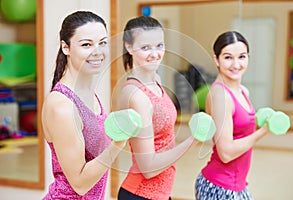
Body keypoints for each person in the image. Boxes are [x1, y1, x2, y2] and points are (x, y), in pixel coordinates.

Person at [42, 11, 127, 199]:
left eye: (102, 43)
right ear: (66, 47)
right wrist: (119, 143)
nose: (98, 51)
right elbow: (79, 184)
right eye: (86, 44)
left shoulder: (89, 94)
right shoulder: (62, 106)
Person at [117, 16, 198, 200]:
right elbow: (147, 167)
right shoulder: (136, 95)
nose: (155, 53)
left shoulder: (157, 82)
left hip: (161, 194)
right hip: (139, 194)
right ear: (129, 47)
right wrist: (193, 140)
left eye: (159, 45)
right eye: (145, 47)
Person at [194, 31, 270, 200]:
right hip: (219, 186)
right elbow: (226, 152)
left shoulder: (243, 91)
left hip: (239, 185)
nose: (236, 64)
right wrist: (262, 132)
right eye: (228, 57)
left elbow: (239, 125)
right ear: (216, 60)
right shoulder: (220, 96)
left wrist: (260, 119)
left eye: (242, 57)